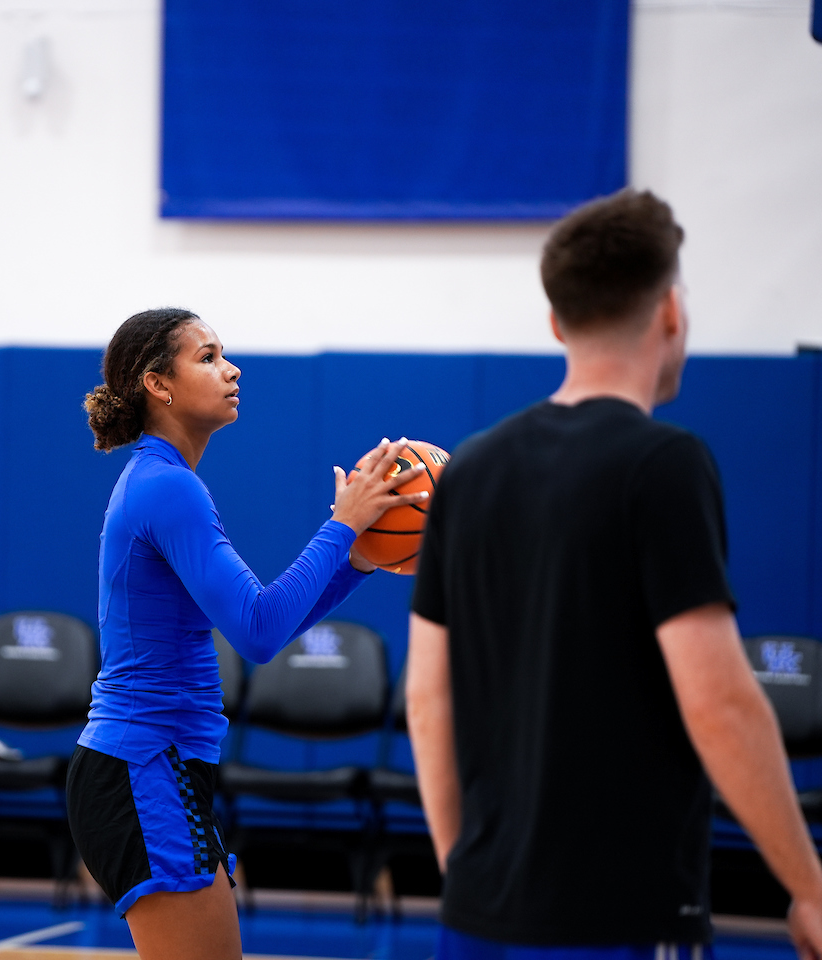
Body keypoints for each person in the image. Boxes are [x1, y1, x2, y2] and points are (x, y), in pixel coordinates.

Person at [407, 189, 822, 960]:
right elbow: (722, 705)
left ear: (557, 322)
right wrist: (809, 886)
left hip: (479, 916)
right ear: (671, 312)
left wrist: (464, 871)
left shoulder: (467, 471)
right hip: (622, 916)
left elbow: (428, 698)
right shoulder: (664, 464)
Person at [67, 307, 425, 960]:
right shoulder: (168, 488)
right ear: (158, 384)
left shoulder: (166, 482)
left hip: (156, 766)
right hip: (145, 763)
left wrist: (358, 563)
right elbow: (258, 632)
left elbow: (266, 625)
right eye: (206, 357)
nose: (230, 369)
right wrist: (342, 527)